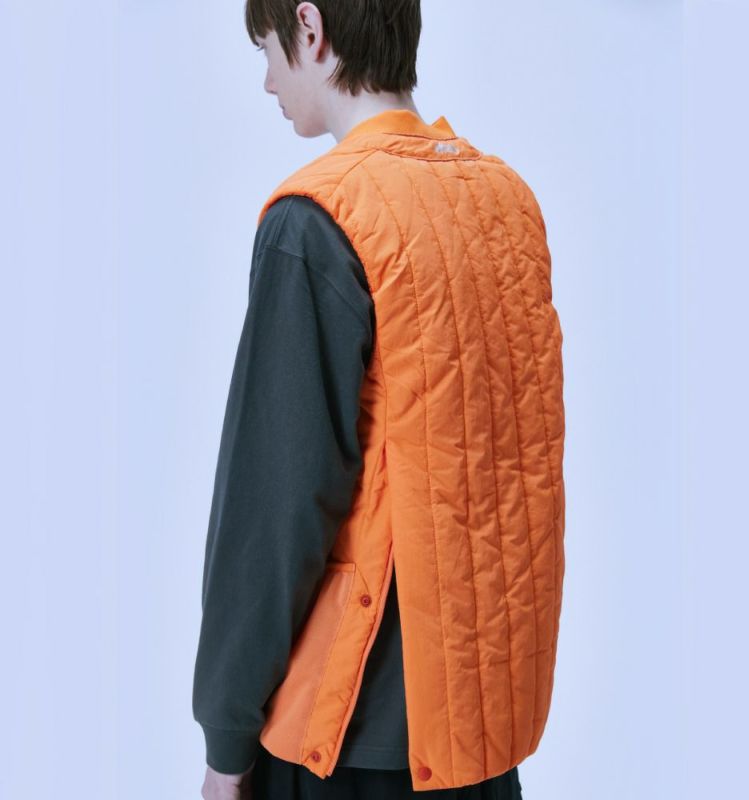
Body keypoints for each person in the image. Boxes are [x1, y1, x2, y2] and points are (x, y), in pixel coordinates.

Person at [192, 2, 566, 799]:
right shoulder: (507, 204)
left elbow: (273, 510)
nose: (268, 82)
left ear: (310, 27)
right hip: (477, 737)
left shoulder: (316, 222)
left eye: (267, 52)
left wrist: (226, 742)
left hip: (344, 740)